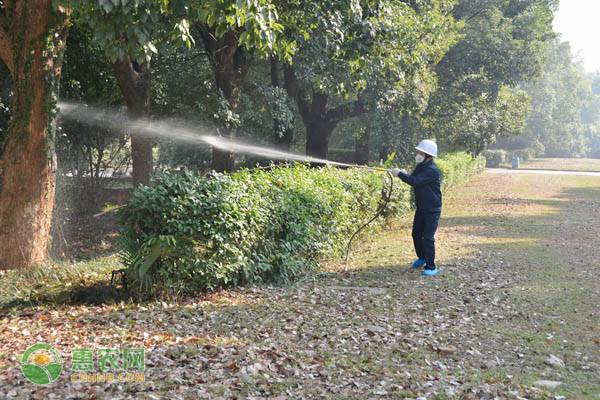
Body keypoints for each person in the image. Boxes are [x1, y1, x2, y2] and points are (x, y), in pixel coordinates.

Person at [391, 140, 442, 276]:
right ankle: (422, 257)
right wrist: (403, 173)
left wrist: (400, 174)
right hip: (421, 208)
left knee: (428, 237)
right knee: (416, 234)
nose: (417, 154)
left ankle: (431, 266)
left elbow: (416, 182)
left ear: (428, 155)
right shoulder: (421, 166)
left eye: (420, 152)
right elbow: (413, 177)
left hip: (432, 209)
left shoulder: (432, 170)